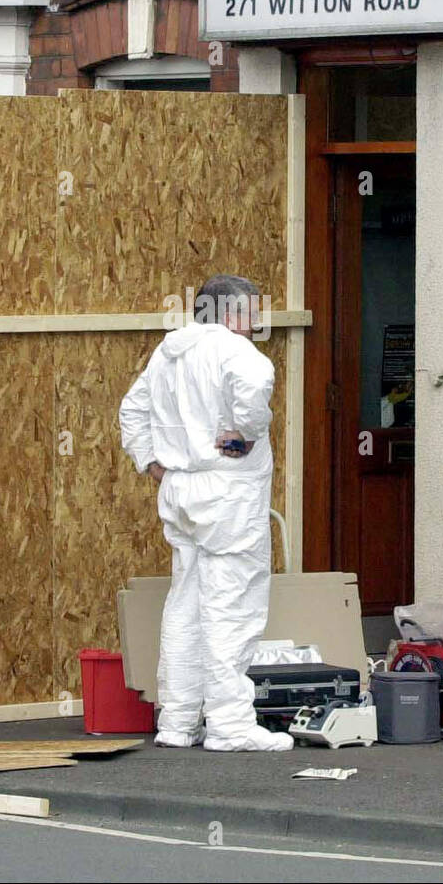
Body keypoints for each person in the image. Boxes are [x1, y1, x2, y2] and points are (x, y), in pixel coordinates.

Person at [118, 274, 292, 753]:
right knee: (230, 606)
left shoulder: (167, 353)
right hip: (227, 490)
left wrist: (151, 462)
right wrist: (250, 433)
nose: (259, 320)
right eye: (253, 310)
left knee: (186, 603)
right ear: (230, 313)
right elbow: (255, 385)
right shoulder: (236, 353)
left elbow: (131, 412)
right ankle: (230, 724)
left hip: (180, 487)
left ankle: (177, 721)